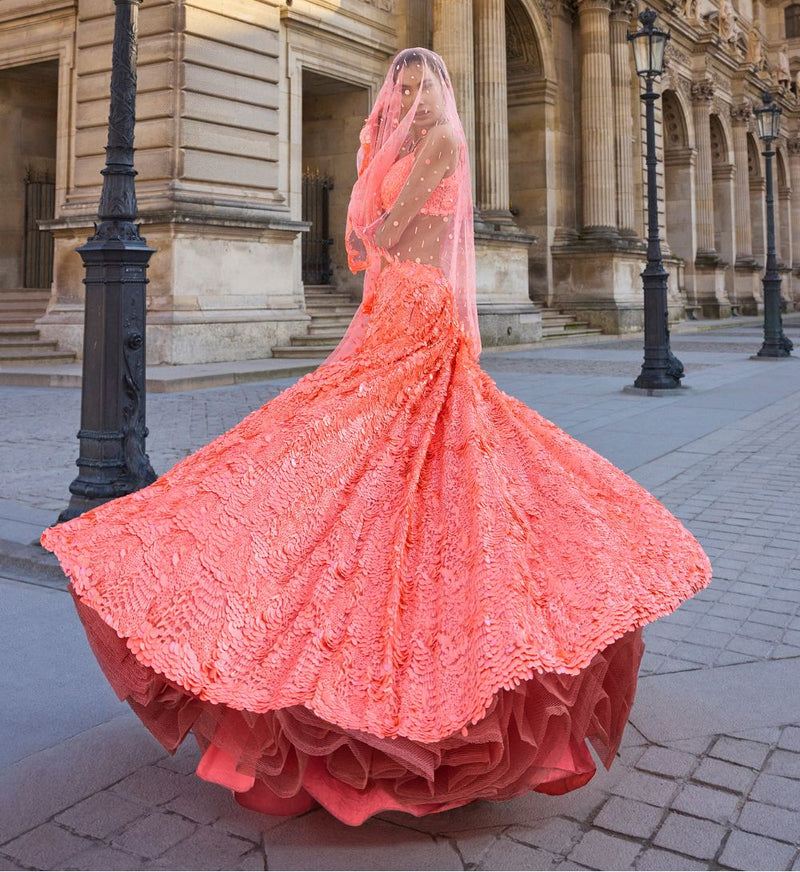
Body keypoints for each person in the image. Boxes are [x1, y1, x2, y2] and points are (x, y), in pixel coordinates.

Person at [41, 48, 712, 826]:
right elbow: (365, 247)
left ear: (442, 93)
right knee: (333, 459)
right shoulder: (398, 144)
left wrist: (367, 194)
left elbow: (383, 232)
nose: (413, 96)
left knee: (413, 469)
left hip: (419, 318)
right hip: (381, 315)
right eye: (403, 86)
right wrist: (365, 178)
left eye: (424, 85)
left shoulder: (444, 146)